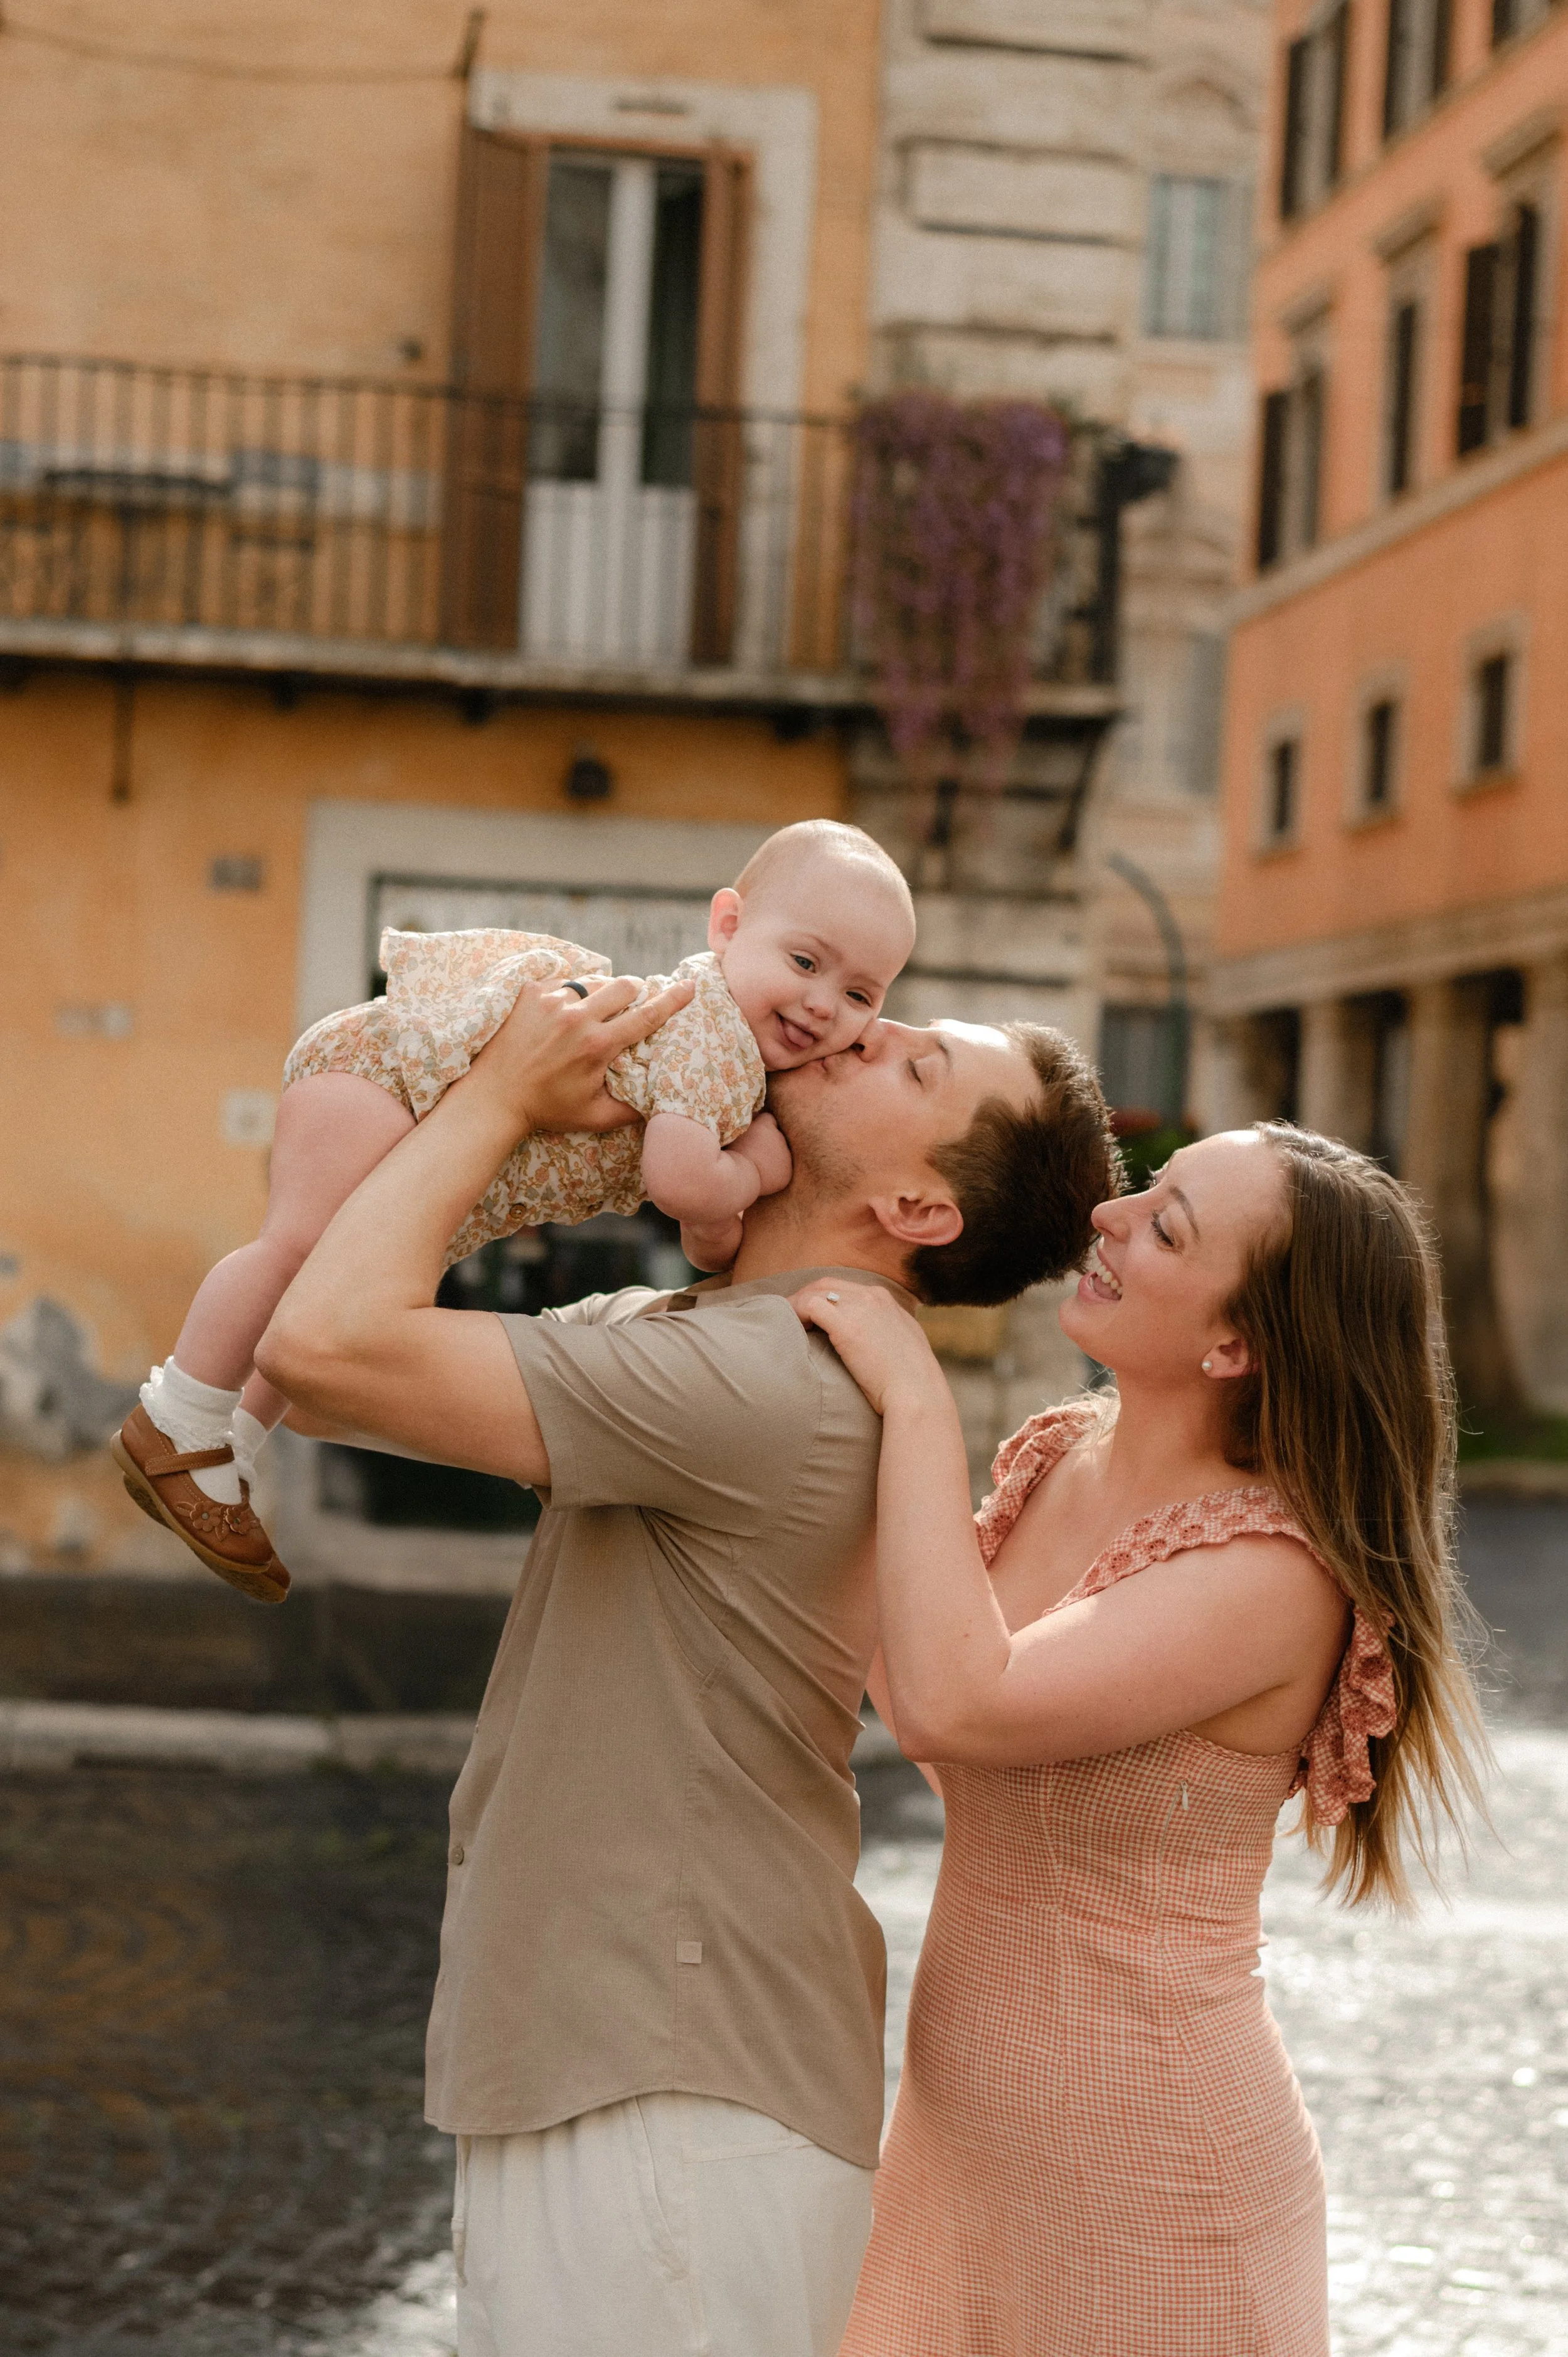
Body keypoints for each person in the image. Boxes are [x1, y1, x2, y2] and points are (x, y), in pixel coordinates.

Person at [250, 970, 1121, 2357]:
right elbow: (304, 1356)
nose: (865, 1025)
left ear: (917, 1212)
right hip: (617, 2069)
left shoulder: (774, 1376)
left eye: (913, 1069)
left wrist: (498, 1093)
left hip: (670, 2094)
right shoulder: (705, 1339)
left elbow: (321, 1344)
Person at [797, 1123, 1488, 2357]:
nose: (1108, 1219)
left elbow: (960, 1703)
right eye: (1141, 1192)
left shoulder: (1275, 1575)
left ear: (1233, 1343)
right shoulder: (1058, 1456)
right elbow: (902, 1674)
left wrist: (908, 1392)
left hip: (1153, 2189)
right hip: (952, 2151)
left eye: (1164, 1225)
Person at [110, 821, 917, 1602]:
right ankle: (178, 1415)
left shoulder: (739, 1071)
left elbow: (704, 1237)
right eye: (805, 960)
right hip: (389, 1080)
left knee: (314, 1284)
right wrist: (747, 1172)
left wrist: (728, 1201)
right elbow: (680, 1182)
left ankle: (230, 1449)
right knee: (294, 1253)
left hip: (418, 1126)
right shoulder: (714, 1033)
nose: (820, 1003)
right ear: (728, 925)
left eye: (857, 994)